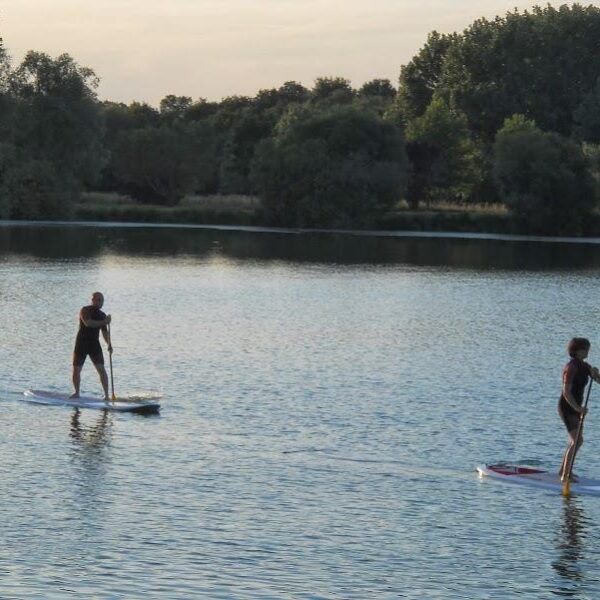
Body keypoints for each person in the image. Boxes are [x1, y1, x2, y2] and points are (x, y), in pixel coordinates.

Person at [558, 337, 600, 482]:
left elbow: (599, 380)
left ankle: (563, 471)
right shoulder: (571, 367)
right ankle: (565, 475)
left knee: (577, 441)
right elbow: (566, 392)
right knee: (576, 440)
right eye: (586, 348)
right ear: (578, 351)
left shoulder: (585, 366)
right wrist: (578, 408)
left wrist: (595, 373)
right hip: (567, 407)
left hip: (577, 408)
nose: (588, 351)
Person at [71, 292, 112, 400]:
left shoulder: (102, 315)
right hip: (81, 343)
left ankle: (107, 395)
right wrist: (104, 321)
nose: (99, 302)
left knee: (101, 370)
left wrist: (109, 344)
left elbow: (104, 333)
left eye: (101, 300)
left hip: (94, 344)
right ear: (92, 300)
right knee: (76, 369)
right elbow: (88, 323)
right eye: (97, 300)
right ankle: (77, 393)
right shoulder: (85, 310)